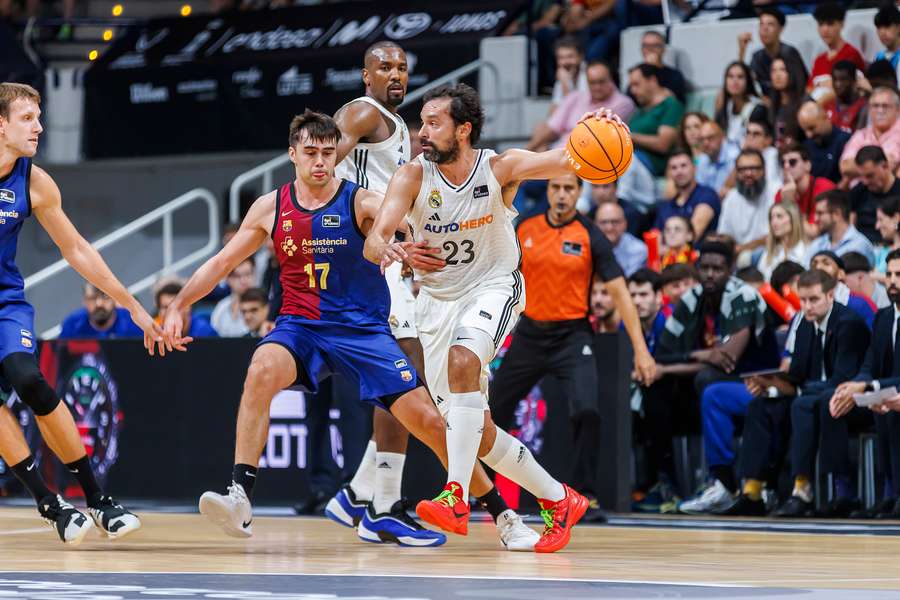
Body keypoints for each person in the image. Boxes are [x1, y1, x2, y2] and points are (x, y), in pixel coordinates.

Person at [365, 86, 655, 551]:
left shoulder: (501, 168)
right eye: (421, 122)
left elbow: (571, 158)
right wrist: (393, 247)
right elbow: (374, 241)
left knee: (464, 361)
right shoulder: (411, 177)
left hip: (495, 286)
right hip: (435, 303)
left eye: (433, 122)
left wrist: (601, 129)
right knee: (476, 435)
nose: (421, 132)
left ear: (464, 130)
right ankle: (560, 498)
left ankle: (456, 495)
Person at [327, 42, 533, 549]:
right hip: (374, 261)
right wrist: (335, 217)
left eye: (401, 67)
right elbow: (323, 152)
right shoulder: (363, 111)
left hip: (394, 261)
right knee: (401, 376)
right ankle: (382, 505)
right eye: (384, 67)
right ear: (365, 75)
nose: (395, 74)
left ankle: (361, 492)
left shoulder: (401, 129)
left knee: (410, 380)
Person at [0, 82, 148, 543]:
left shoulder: (33, 180)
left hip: (5, 301)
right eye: (28, 118)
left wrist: (131, 303)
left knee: (29, 379)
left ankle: (97, 498)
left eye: (39, 117)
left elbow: (76, 249)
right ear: (0, 124)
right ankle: (49, 502)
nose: (40, 127)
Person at [491, 171, 654, 522]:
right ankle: (483, 493)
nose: (562, 195)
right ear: (547, 191)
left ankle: (582, 496)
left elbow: (620, 292)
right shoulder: (527, 229)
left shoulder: (591, 235)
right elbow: (500, 277)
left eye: (569, 188)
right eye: (555, 188)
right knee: (492, 409)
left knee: (587, 412)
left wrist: (641, 351)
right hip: (529, 335)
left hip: (572, 337)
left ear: (579, 193)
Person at [719, 269, 870, 517]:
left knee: (805, 404)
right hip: (813, 394)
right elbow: (799, 373)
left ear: (831, 295)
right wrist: (772, 383)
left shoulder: (848, 323)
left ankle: (806, 490)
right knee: (761, 406)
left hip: (849, 398)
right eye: (803, 300)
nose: (807, 307)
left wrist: (795, 388)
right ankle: (753, 491)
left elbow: (843, 379)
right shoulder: (805, 324)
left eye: (814, 300)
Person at [636, 241, 772, 512]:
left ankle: (723, 481)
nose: (710, 274)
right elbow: (662, 355)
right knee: (654, 386)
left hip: (755, 384)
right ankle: (666, 484)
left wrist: (690, 359)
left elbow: (727, 361)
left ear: (730, 269)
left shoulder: (741, 295)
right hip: (707, 385)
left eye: (717, 269)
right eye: (705, 268)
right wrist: (701, 355)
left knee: (708, 382)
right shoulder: (692, 298)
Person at [833, 249, 900, 518]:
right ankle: (887, 493)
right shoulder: (884, 316)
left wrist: (868, 387)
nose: (893, 280)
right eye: (890, 274)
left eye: (899, 275)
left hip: (890, 390)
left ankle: (895, 495)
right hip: (886, 389)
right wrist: (854, 385)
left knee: (892, 413)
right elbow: (870, 363)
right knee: (865, 408)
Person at [617, 63, 685, 216]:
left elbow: (663, 144)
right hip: (628, 166)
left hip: (649, 168)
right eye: (631, 86)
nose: (632, 91)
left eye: (636, 84)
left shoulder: (670, 105)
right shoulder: (639, 111)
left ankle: (620, 204)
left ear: (652, 81)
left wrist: (630, 136)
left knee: (627, 160)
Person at [526, 60, 634, 153]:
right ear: (587, 82)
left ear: (611, 79)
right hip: (560, 152)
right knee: (540, 131)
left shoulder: (623, 103)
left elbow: (599, 136)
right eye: (592, 83)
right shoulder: (575, 97)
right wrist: (528, 151)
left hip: (589, 155)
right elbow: (551, 129)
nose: (597, 87)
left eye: (601, 82)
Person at [738, 6, 808, 99]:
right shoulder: (757, 56)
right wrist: (742, 50)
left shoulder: (790, 53)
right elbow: (745, 83)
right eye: (761, 24)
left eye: (770, 24)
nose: (764, 29)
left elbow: (801, 85)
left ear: (781, 29)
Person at [717, 149, 777, 255]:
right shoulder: (731, 197)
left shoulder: (776, 192)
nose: (748, 173)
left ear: (764, 170)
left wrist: (745, 248)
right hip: (737, 257)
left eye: (754, 168)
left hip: (768, 253)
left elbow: (778, 235)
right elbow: (724, 234)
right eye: (742, 169)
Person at [655, 151, 719, 240]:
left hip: (699, 253)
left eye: (683, 166)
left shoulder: (707, 195)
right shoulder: (666, 206)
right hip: (669, 253)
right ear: (669, 173)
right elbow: (654, 238)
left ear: (694, 168)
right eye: (674, 168)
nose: (679, 171)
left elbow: (692, 236)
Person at [840, 87, 900, 181]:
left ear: (898, 110)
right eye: (876, 106)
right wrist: (875, 167)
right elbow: (845, 166)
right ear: (869, 109)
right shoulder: (861, 135)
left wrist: (857, 167)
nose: (880, 111)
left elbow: (890, 164)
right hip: (860, 191)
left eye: (885, 106)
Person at [775, 144, 835, 236]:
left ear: (807, 165)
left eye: (792, 162)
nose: (786, 167)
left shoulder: (824, 187)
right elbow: (780, 233)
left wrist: (790, 203)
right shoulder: (782, 193)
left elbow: (813, 234)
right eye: (783, 163)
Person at [808, 2, 866, 95]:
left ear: (841, 24)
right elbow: (809, 89)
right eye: (821, 24)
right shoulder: (819, 60)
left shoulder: (851, 54)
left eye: (830, 24)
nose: (825, 29)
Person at [807, 190, 876, 266]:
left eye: (820, 213)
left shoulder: (860, 245)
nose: (815, 218)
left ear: (837, 214)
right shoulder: (817, 244)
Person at [850, 145, 900, 244]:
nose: (865, 182)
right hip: (862, 246)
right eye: (861, 176)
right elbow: (851, 228)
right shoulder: (858, 191)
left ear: (885, 166)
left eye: (870, 175)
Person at [59, 282, 143, 339]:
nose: (99, 303)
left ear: (114, 299)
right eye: (92, 298)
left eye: (105, 297)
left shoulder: (133, 321)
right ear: (84, 301)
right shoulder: (72, 325)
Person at [797, 100, 851, 185]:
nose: (809, 135)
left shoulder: (845, 141)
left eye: (812, 128)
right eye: (805, 130)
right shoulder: (806, 147)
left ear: (825, 118)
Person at [758, 201, 808, 283]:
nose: (774, 222)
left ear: (793, 219)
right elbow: (760, 280)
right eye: (771, 218)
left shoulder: (805, 249)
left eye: (779, 216)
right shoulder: (769, 251)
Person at [714, 61, 761, 148]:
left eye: (740, 77)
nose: (735, 81)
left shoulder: (758, 108)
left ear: (748, 81)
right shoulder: (724, 106)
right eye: (730, 76)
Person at [595, 202, 647, 277]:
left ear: (625, 224)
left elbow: (628, 282)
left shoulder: (639, 250)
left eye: (615, 222)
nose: (609, 228)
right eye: (604, 222)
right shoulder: (586, 247)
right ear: (595, 225)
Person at [766, 57, 805, 151]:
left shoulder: (804, 102)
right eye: (773, 71)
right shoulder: (773, 105)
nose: (777, 75)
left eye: (782, 70)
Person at [210, 258, 254, 337]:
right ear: (228, 279)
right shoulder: (221, 306)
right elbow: (213, 337)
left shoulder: (265, 305)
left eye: (248, 274)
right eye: (237, 276)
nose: (243, 281)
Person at [823, 61, 868, 134]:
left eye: (843, 80)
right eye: (835, 79)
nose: (838, 84)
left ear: (854, 81)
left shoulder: (863, 107)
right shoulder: (827, 105)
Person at [696, 121, 739, 198]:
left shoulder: (735, 157)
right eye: (702, 139)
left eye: (710, 138)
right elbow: (700, 190)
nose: (705, 143)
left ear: (722, 137)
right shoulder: (703, 158)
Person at [742, 118, 783, 190]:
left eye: (756, 134)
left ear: (768, 140)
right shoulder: (744, 154)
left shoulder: (772, 154)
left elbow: (771, 185)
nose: (750, 137)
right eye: (748, 133)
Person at [875, 196, 900, 277]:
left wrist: (873, 276)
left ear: (896, 218)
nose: (877, 226)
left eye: (880, 219)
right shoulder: (881, 250)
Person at [875, 5, 900, 77]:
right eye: (879, 28)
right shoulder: (878, 57)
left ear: (898, 27)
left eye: (887, 26)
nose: (882, 33)